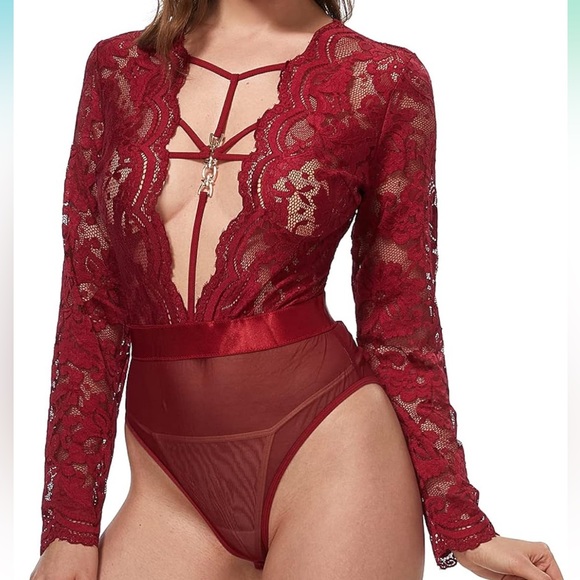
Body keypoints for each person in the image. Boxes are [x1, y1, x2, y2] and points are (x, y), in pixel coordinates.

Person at [30, 0, 565, 579]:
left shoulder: (381, 79)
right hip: (167, 485)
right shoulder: (117, 68)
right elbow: (90, 305)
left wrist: (462, 523)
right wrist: (68, 528)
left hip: (331, 456)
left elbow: (400, 321)